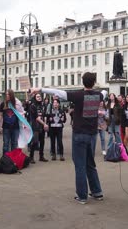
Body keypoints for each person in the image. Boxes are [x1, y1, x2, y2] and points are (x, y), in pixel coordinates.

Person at [30, 72, 106, 204]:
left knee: (80, 165)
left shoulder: (78, 95)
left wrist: (40, 89)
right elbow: (104, 92)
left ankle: (82, 196)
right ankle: (97, 192)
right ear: (94, 82)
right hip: (93, 134)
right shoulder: (99, 95)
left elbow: (58, 92)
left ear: (83, 82)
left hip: (80, 134)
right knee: (90, 163)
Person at [29, 93, 49, 163]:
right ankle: (31, 157)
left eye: (40, 96)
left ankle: (41, 156)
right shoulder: (32, 106)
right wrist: (44, 124)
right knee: (34, 142)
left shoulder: (43, 105)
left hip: (42, 127)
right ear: (35, 98)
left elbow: (44, 115)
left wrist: (45, 124)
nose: (39, 98)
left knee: (42, 142)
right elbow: (37, 118)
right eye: (37, 97)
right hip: (35, 127)